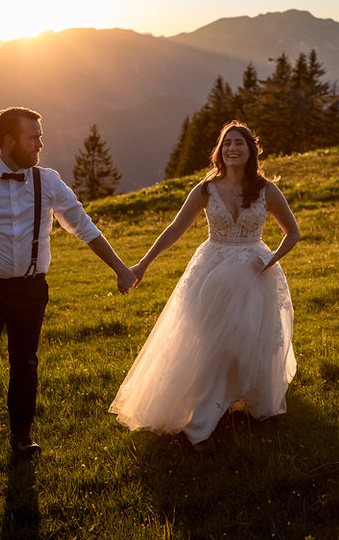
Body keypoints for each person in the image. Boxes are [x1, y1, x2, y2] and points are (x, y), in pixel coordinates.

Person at [0, 106, 137, 476]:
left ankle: (21, 435)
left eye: (40, 136)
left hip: (31, 290)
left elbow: (84, 227)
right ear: (9, 141)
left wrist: (121, 269)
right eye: (33, 137)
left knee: (25, 362)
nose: (41, 142)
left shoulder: (50, 181)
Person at [109, 120, 299, 452]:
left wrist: (269, 261)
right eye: (227, 144)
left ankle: (254, 402)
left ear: (251, 151)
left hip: (255, 273)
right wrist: (143, 263)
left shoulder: (266, 189)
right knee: (213, 347)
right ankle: (199, 426)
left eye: (239, 143)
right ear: (219, 152)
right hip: (211, 270)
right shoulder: (206, 189)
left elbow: (292, 232)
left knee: (251, 342)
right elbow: (175, 229)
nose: (232, 149)